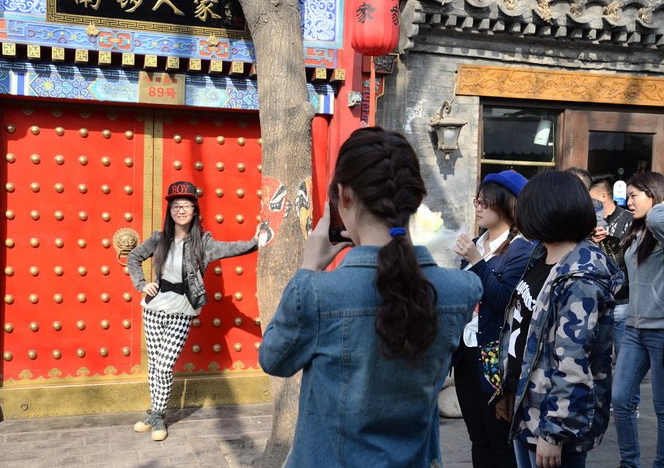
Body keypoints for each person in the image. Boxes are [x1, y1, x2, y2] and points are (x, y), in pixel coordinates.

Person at [258, 126, 483, 467]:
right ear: (415, 200)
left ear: (344, 197)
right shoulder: (461, 290)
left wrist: (308, 268)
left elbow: (274, 360)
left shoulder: (317, 294)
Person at [495, 171, 623, 468]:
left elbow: (573, 361)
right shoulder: (542, 255)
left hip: (552, 425)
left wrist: (554, 433)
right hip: (527, 409)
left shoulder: (580, 277)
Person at [127, 181, 259, 441]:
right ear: (170, 211)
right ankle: (155, 415)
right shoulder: (159, 239)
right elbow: (133, 258)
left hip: (182, 310)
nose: (181, 211)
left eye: (186, 206)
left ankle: (158, 416)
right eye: (176, 206)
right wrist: (142, 284)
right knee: (154, 365)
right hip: (154, 308)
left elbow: (232, 248)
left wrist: (257, 240)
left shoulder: (203, 243)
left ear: (195, 211)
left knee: (164, 366)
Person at [452, 170, 535, 468]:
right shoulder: (476, 242)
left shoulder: (523, 249)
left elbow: (501, 299)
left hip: (494, 356)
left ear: (506, 205)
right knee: (477, 438)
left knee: (500, 439)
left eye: (485, 202)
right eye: (477, 200)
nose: (478, 207)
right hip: (466, 351)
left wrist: (476, 261)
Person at [612, 171, 664, 468]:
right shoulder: (637, 232)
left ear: (654, 195)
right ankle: (629, 463)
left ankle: (662, 465)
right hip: (634, 327)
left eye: (634, 196)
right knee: (620, 399)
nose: (628, 202)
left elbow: (659, 221)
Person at [590, 175, 634, 356]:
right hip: (597, 298)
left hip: (623, 298)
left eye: (590, 198)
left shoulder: (628, 219)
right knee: (598, 359)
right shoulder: (588, 221)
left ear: (603, 196)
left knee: (625, 358)